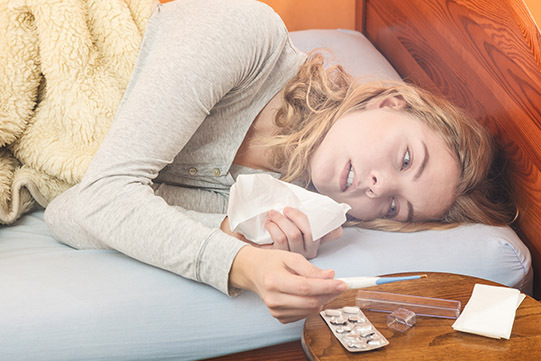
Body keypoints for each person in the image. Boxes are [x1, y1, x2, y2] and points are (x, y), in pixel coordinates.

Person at [44, 0, 514, 324]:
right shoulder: (245, 36)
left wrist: (226, 231)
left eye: (394, 207)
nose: (376, 186)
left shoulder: (267, 201)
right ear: (389, 102)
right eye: (405, 158)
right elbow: (103, 198)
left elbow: (70, 210)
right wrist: (240, 264)